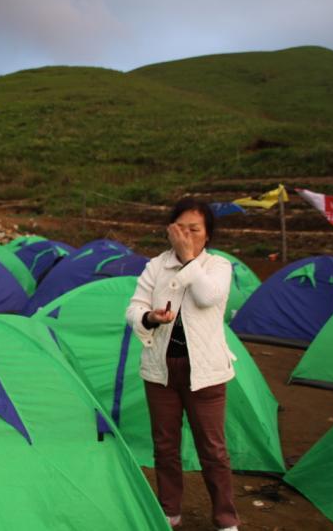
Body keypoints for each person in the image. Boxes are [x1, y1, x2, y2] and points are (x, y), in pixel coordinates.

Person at [126, 197, 239, 531]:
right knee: (165, 445)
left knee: (213, 449)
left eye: (195, 229)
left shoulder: (218, 266)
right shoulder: (155, 266)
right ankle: (169, 510)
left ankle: (225, 518)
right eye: (181, 228)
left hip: (206, 372)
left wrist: (188, 259)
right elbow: (134, 308)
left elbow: (207, 297)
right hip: (161, 370)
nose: (187, 235)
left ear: (207, 234)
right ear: (170, 229)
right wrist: (150, 316)